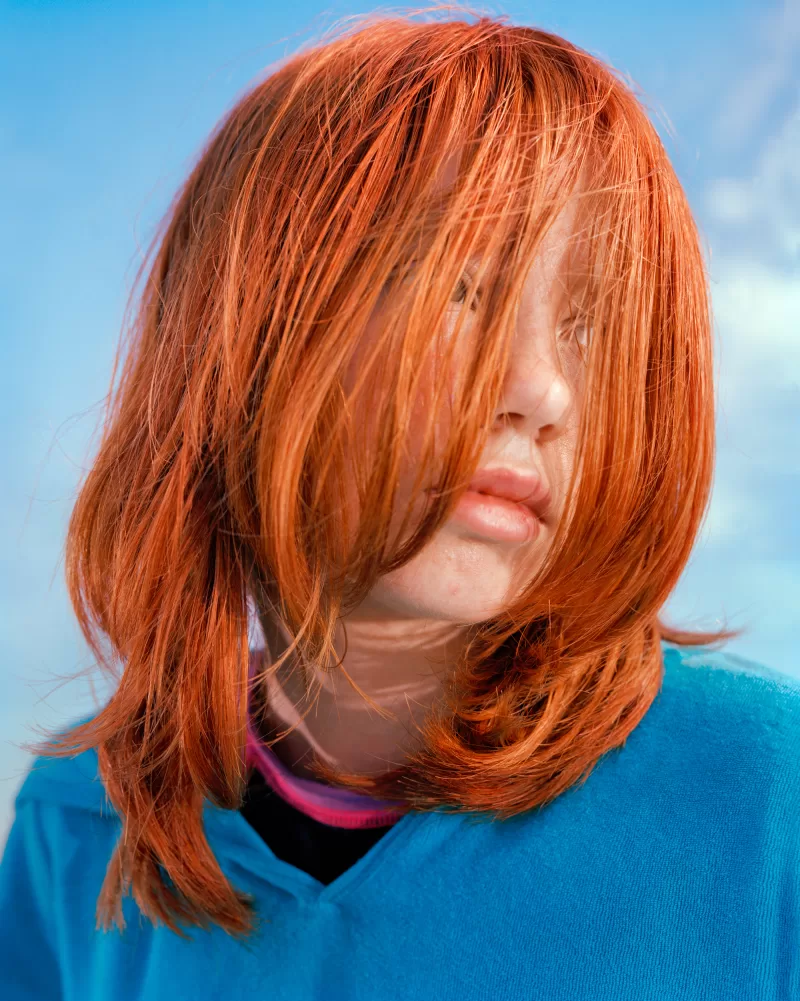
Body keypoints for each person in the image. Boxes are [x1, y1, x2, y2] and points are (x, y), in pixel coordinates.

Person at [2, 8, 799, 999]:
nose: (540, 394)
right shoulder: (75, 826)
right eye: (462, 293)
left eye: (592, 327)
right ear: (244, 329)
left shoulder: (765, 795)